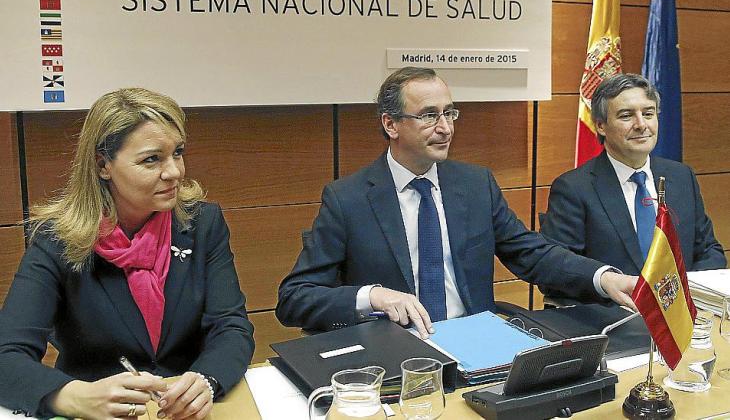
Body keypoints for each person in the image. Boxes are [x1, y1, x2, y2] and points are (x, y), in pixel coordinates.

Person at [276, 67, 638, 339]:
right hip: (398, 348)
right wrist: (373, 296)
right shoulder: (348, 199)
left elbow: (532, 253)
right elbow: (295, 298)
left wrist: (602, 278)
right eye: (429, 115)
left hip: (477, 341)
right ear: (391, 124)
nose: (445, 128)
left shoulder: (475, 185)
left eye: (449, 113)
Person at [0, 88, 255, 419]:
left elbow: (231, 326)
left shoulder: (202, 223)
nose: (174, 172)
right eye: (152, 159)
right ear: (103, 165)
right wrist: (74, 396)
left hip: (185, 411)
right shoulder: (57, 239)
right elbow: (6, 355)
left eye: (177, 153)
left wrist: (207, 379)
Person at [540, 73, 725, 285]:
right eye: (626, 116)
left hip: (682, 302)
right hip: (613, 305)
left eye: (648, 113)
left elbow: (709, 250)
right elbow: (557, 269)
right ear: (601, 125)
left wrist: (683, 292)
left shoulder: (682, 176)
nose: (641, 124)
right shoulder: (573, 188)